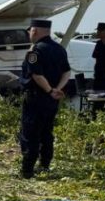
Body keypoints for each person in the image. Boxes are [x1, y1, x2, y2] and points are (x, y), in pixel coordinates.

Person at [18, 18, 71, 179]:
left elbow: (36, 75)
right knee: (47, 132)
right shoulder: (59, 49)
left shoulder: (35, 52)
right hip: (52, 100)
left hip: (36, 98)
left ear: (35, 31)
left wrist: (49, 90)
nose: (29, 34)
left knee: (31, 133)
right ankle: (45, 165)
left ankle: (27, 170)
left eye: (30, 31)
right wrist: (57, 89)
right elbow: (67, 72)